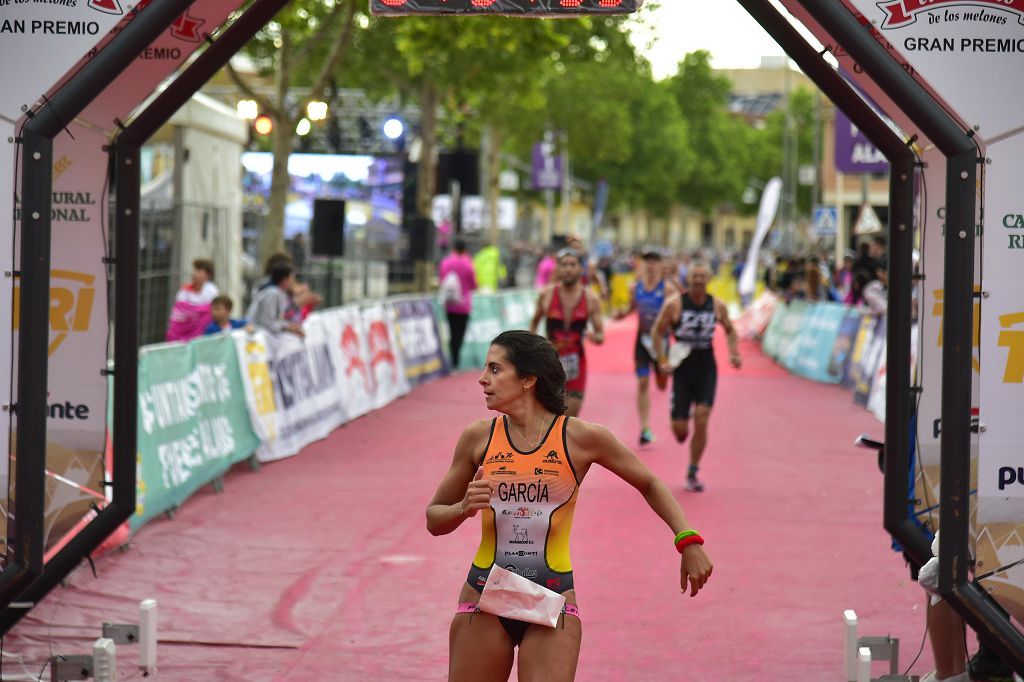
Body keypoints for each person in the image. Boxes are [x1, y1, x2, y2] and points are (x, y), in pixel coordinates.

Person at [426, 330, 713, 682]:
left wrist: (687, 540)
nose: (483, 379)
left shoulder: (580, 438)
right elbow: (433, 518)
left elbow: (649, 482)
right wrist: (462, 509)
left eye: (496, 369)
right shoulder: (478, 437)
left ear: (529, 379)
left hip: (552, 597)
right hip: (484, 597)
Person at [652, 261, 741, 492]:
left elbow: (731, 330)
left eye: (702, 277)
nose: (699, 281)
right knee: (681, 431)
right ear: (687, 279)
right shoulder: (675, 305)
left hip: (706, 368)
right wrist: (662, 359)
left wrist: (734, 353)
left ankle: (692, 470)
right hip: (682, 368)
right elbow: (657, 331)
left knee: (702, 419)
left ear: (709, 279)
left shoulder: (717, 306)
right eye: (694, 277)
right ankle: (681, 415)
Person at [530, 249, 605, 417]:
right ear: (558, 269)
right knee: (548, 415)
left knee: (570, 417)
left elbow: (601, 336)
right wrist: (532, 347)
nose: (568, 269)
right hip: (550, 362)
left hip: (577, 363)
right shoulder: (547, 295)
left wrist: (594, 337)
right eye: (564, 265)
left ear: (581, 269)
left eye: (573, 265)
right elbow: (534, 323)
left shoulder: (591, 299)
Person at [627, 251, 670, 445]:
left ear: (661, 265)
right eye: (647, 262)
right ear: (642, 265)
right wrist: (621, 313)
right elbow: (631, 308)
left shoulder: (667, 289)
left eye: (655, 262)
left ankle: (662, 376)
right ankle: (645, 428)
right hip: (642, 341)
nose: (650, 266)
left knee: (662, 383)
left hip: (661, 342)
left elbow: (675, 315)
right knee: (643, 382)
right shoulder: (636, 288)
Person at [440, 239, 478, 369]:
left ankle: (452, 360)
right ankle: (456, 361)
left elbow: (442, 280)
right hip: (464, 305)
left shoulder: (445, 263)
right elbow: (474, 285)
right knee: (459, 333)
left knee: (452, 331)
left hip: (450, 304)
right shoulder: (468, 264)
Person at [166, 258, 219, 342]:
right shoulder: (184, 291)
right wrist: (197, 313)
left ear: (208, 275)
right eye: (194, 270)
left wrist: (192, 313)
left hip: (203, 336)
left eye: (199, 271)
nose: (194, 274)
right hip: (179, 334)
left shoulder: (212, 291)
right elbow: (178, 312)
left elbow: (212, 311)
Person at [245, 262, 304, 337]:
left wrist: (290, 326)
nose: (293, 281)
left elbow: (277, 321)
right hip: (256, 336)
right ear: (284, 280)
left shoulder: (280, 293)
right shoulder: (272, 293)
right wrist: (288, 327)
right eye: (291, 278)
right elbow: (267, 322)